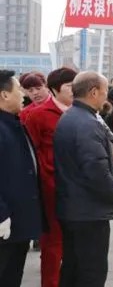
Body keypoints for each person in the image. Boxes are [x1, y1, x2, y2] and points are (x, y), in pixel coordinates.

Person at [54, 71, 113, 287]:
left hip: (75, 207)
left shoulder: (72, 116)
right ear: (93, 92)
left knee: (73, 267)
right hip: (88, 212)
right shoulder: (86, 123)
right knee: (91, 271)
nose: (106, 96)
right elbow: (96, 170)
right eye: (104, 92)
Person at [23, 67, 77, 287]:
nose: (75, 91)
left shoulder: (83, 112)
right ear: (55, 89)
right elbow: (30, 155)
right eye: (70, 87)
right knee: (53, 244)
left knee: (76, 244)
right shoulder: (35, 115)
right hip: (51, 189)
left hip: (79, 190)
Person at [0, 70, 43, 287]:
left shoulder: (13, 122)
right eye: (19, 89)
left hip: (19, 223)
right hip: (4, 224)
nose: (24, 95)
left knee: (13, 276)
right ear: (4, 95)